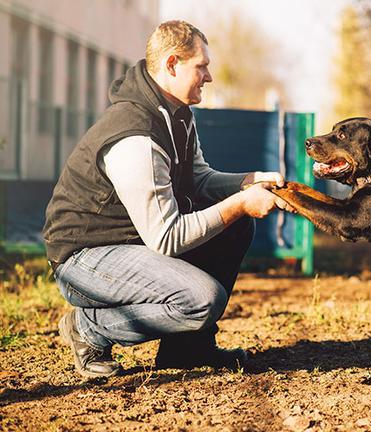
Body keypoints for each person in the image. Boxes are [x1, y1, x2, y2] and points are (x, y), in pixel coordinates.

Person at [43, 20, 293, 378]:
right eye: (201, 66)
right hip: (85, 258)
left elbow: (201, 178)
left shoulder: (177, 114)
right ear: (173, 64)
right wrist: (239, 203)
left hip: (131, 243)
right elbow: (167, 237)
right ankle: (88, 327)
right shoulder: (136, 136)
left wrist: (250, 181)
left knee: (237, 229)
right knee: (201, 301)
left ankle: (187, 350)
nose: (208, 76)